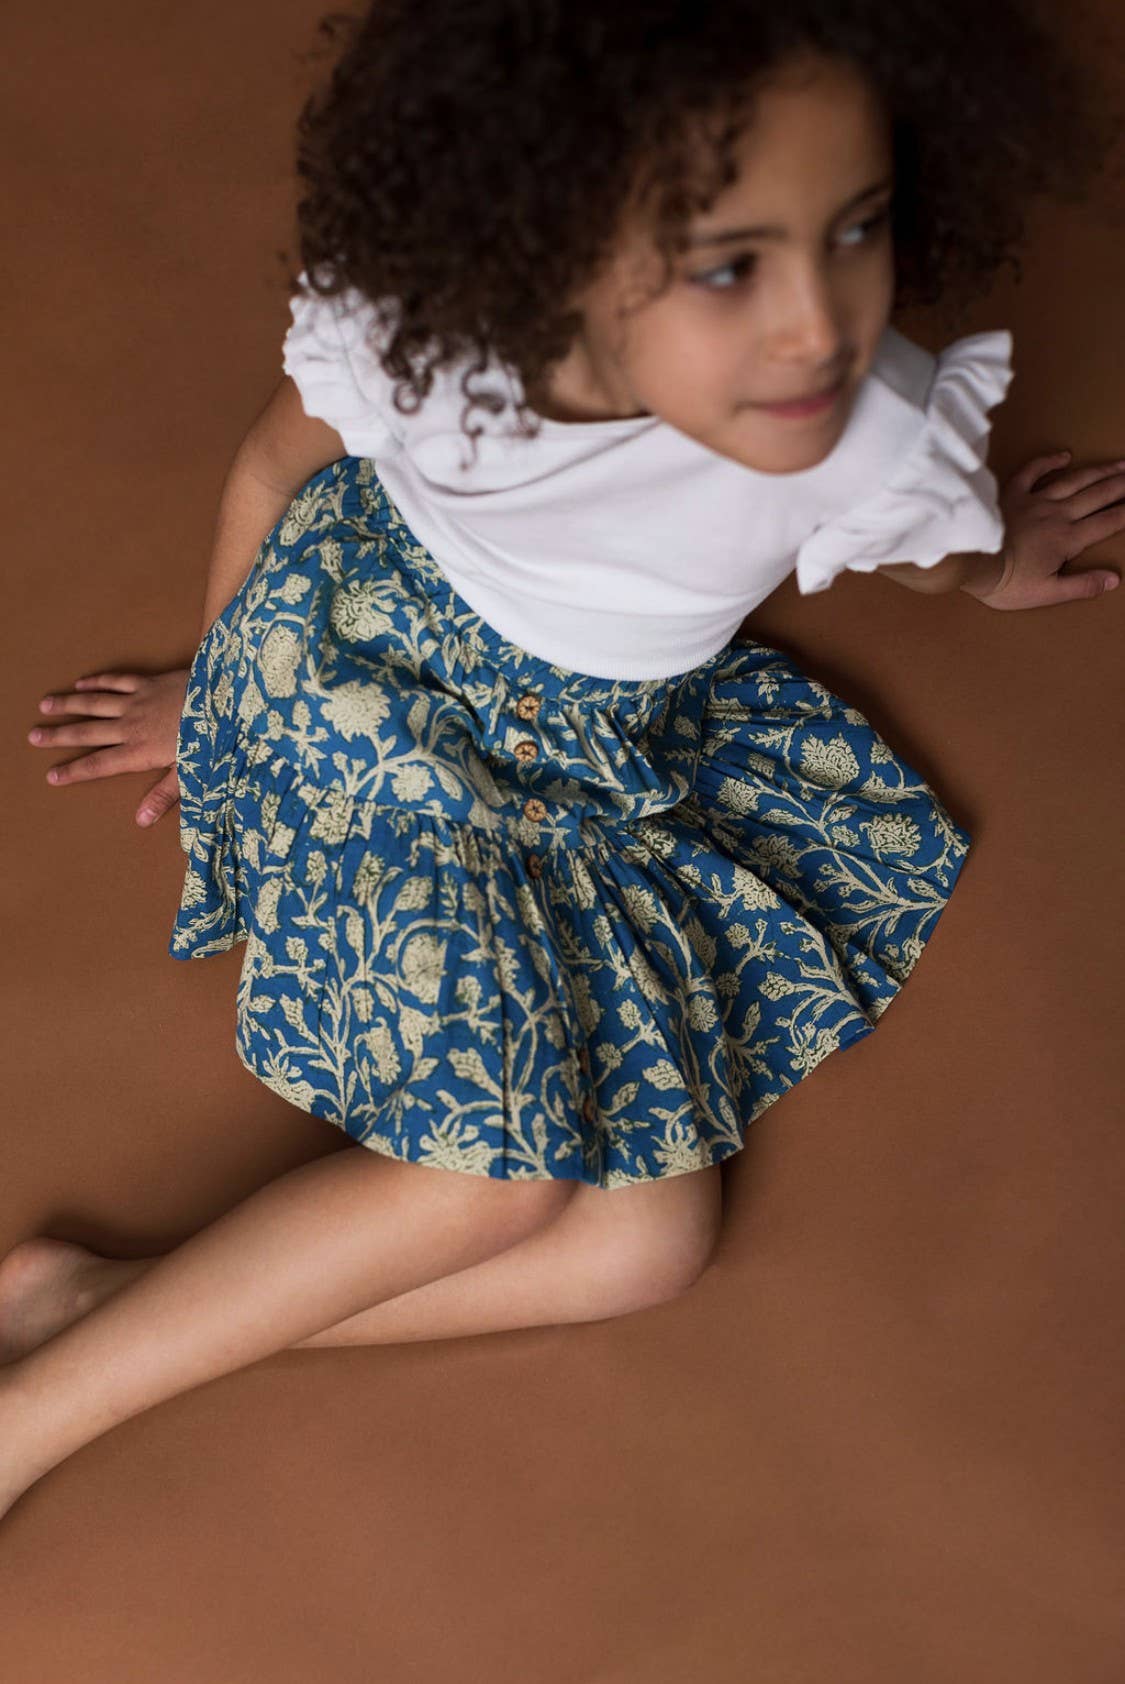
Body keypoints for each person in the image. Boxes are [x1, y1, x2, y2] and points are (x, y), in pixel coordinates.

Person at [5, 0, 1123, 1524]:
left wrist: (993, 562)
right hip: (370, 701)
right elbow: (273, 467)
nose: (816, 326)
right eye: (728, 264)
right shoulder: (441, 342)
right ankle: (29, 1418)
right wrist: (219, 703)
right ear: (561, 237)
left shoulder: (862, 424)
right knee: (504, 1180)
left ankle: (92, 1307)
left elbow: (922, 548)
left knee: (645, 1247)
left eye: (855, 226)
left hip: (582, 773)